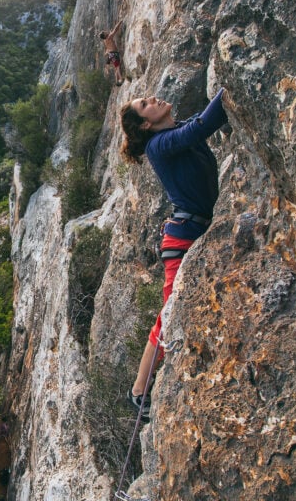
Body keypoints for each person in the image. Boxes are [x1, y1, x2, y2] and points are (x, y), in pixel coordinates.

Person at [118, 87, 232, 419]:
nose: (152, 99)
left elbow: (197, 123)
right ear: (144, 125)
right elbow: (202, 126)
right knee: (170, 316)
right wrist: (229, 88)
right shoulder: (159, 146)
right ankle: (139, 392)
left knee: (175, 313)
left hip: (194, 231)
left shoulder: (173, 132)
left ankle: (140, 388)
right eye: (145, 104)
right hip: (182, 241)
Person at [98, 20, 125, 85]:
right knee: (117, 66)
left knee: (116, 67)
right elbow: (115, 30)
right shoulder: (109, 37)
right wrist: (120, 22)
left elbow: (108, 47)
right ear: (105, 35)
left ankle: (117, 81)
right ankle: (120, 79)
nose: (106, 31)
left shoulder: (105, 40)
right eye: (104, 32)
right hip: (113, 54)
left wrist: (107, 52)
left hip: (112, 54)